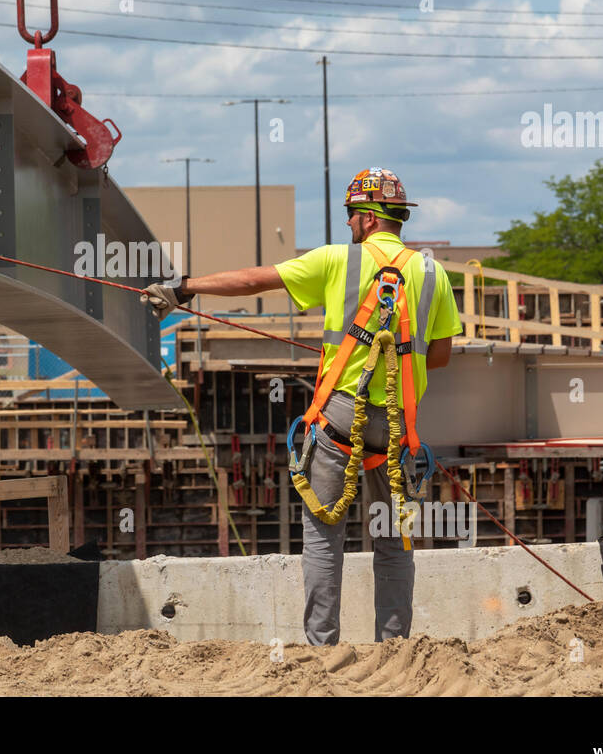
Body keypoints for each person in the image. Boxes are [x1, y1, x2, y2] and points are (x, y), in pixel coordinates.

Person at [140, 167, 462, 644]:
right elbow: (438, 356)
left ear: (370, 217)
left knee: (324, 538)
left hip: (340, 421)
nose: (349, 223)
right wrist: (391, 356)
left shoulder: (338, 261)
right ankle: (394, 648)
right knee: (394, 544)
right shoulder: (433, 272)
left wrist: (185, 287)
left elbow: (255, 280)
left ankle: (321, 650)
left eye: (353, 214)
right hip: (397, 426)